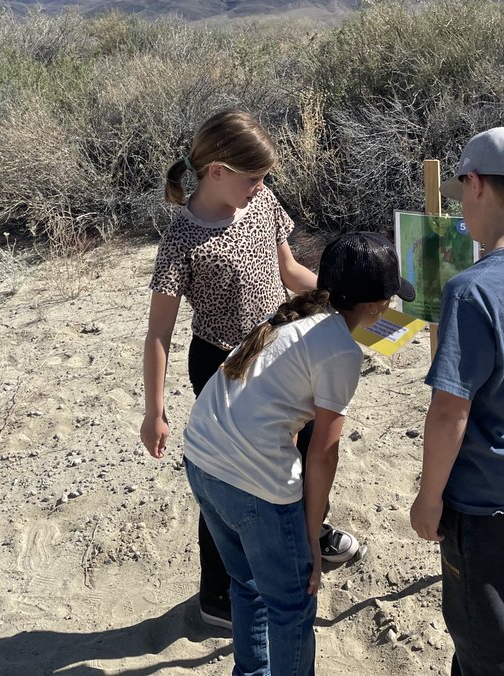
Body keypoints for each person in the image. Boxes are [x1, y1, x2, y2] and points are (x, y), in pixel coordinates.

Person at [141, 108, 361, 629]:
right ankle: (217, 592)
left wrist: (345, 301)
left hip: (281, 350)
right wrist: (154, 411)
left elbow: (289, 272)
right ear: (216, 171)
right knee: (230, 474)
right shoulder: (181, 238)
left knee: (305, 445)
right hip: (222, 365)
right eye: (253, 177)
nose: (261, 187)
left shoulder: (261, 201)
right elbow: (158, 333)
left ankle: (312, 530)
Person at [184, 232, 415, 676]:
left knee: (246, 583)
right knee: (293, 603)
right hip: (252, 483)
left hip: (201, 458)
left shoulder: (296, 316)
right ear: (376, 305)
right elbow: (324, 452)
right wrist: (313, 534)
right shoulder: (341, 350)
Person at [409, 127, 504, 676]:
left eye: (461, 196)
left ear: (474, 185)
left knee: (489, 647)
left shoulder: (470, 290)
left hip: (484, 500)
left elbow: (450, 411)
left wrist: (430, 500)